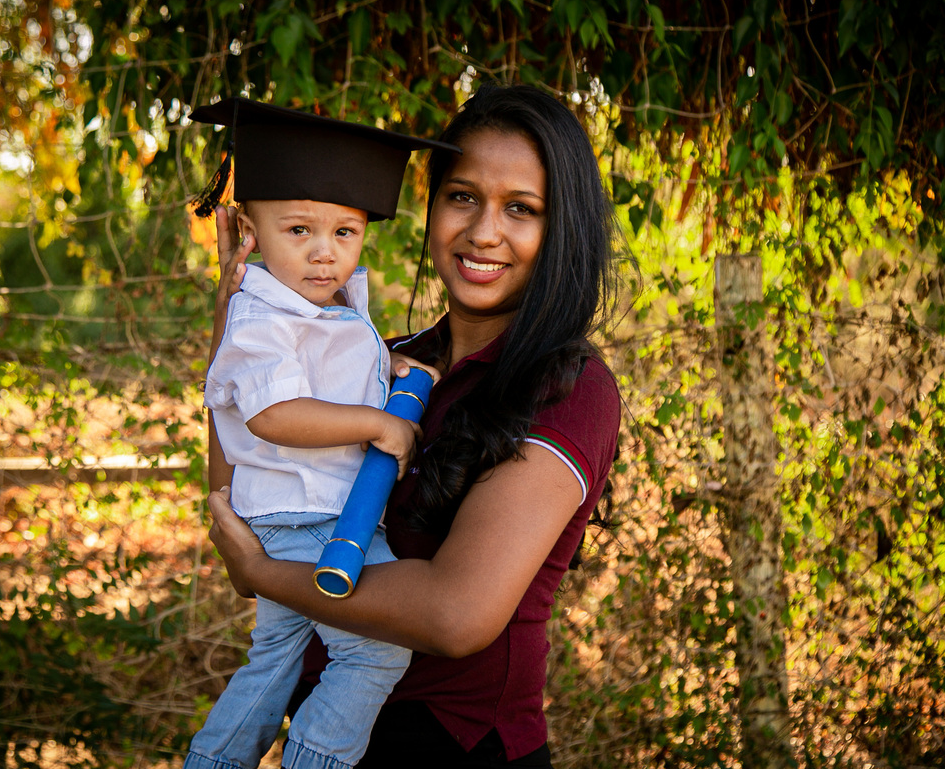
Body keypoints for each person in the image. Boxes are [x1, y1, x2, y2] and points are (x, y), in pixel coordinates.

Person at [205, 83, 622, 767]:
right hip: (322, 734)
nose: (482, 231)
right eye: (462, 196)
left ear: (561, 229)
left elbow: (454, 615)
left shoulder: (567, 390)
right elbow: (244, 503)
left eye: (521, 208)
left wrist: (263, 569)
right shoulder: (382, 362)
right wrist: (241, 323)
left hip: (454, 748)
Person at [185, 98, 457, 769]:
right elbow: (274, 415)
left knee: (275, 656)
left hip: (298, 513)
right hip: (306, 515)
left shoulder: (321, 309)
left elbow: (327, 369)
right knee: (376, 650)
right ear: (250, 231)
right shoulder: (261, 319)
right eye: (299, 230)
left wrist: (385, 365)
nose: (323, 252)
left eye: (345, 232)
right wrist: (378, 423)